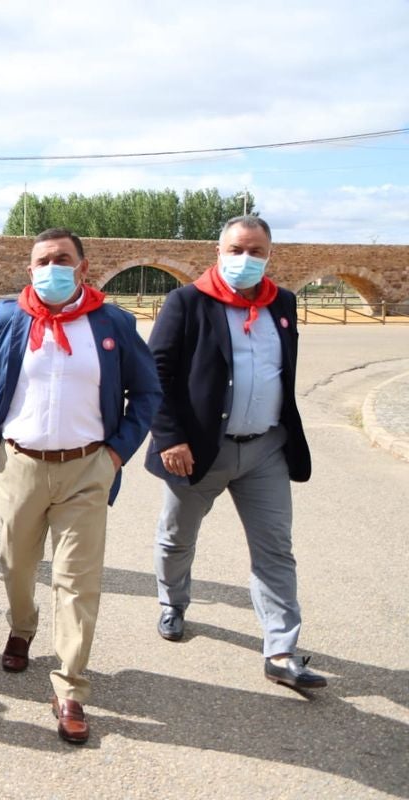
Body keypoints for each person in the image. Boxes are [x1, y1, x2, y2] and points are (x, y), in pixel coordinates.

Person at [0, 228, 160, 744]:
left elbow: (148, 390)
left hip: (87, 469)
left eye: (62, 259)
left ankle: (70, 687)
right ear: (30, 270)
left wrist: (116, 454)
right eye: (43, 261)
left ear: (82, 268)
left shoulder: (112, 322)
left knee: (77, 581)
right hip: (20, 463)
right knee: (16, 565)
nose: (52, 268)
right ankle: (22, 627)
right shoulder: (9, 317)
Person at [146, 215, 325, 691]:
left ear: (270, 255)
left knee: (275, 551)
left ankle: (281, 650)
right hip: (200, 450)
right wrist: (170, 438)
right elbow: (154, 375)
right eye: (237, 250)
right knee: (177, 537)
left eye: (257, 251)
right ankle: (173, 602)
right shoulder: (188, 302)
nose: (246, 260)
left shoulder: (282, 303)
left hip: (266, 448)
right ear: (219, 253)